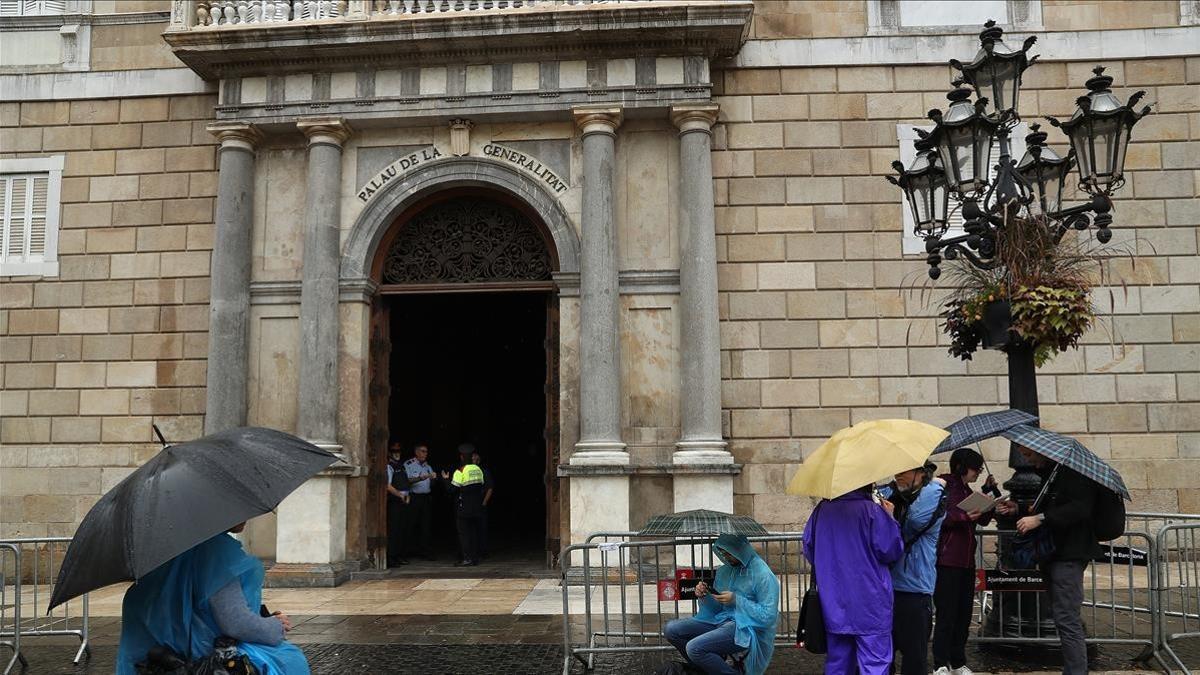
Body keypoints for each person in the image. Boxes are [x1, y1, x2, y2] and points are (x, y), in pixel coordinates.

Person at [116, 522, 309, 675]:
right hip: (204, 659)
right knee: (290, 660)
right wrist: (276, 626)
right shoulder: (217, 551)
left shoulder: (175, 549)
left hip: (159, 660)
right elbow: (235, 622)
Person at [1014, 444, 1099, 675]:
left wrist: (1040, 518)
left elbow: (1079, 508)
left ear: (1044, 451)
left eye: (1030, 454)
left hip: (1069, 555)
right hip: (1054, 554)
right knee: (1063, 617)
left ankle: (1076, 671)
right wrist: (1018, 508)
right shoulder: (1052, 474)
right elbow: (1047, 507)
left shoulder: (1074, 473)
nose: (1028, 461)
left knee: (1066, 617)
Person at [803, 485, 904, 675]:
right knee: (875, 662)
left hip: (833, 600)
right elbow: (891, 550)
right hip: (871, 601)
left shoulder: (821, 511)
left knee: (838, 663)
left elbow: (809, 549)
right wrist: (890, 519)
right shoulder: (873, 511)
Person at [932, 448, 1015, 675]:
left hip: (966, 561)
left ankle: (957, 661)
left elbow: (981, 517)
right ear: (961, 466)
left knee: (963, 614)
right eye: (975, 468)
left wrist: (989, 498)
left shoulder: (966, 489)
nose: (978, 472)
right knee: (947, 614)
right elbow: (937, 517)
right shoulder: (944, 486)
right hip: (947, 560)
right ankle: (940, 662)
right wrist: (962, 517)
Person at [663, 534, 779, 675]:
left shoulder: (762, 574)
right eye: (723, 553)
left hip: (747, 628)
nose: (726, 557)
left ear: (740, 550)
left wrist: (737, 600)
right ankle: (706, 668)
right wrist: (705, 596)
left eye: (729, 553)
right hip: (721, 620)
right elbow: (717, 609)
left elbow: (768, 616)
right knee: (671, 630)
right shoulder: (724, 571)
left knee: (694, 648)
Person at [877, 462, 946, 675]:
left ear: (921, 473)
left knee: (914, 659)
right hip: (886, 589)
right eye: (897, 469)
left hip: (915, 590)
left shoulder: (933, 495)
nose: (898, 475)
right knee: (882, 656)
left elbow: (915, 521)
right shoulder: (895, 493)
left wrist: (936, 484)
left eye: (904, 470)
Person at [441, 444, 485, 567]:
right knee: (474, 532)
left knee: (464, 534)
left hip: (464, 507)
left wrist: (445, 479)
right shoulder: (478, 469)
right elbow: (481, 486)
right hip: (477, 507)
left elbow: (451, 490)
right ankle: (475, 558)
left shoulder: (460, 471)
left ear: (461, 457)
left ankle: (467, 558)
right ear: (471, 456)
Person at [403, 443, 436, 560]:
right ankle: (406, 552)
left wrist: (433, 479)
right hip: (414, 498)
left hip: (426, 498)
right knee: (410, 525)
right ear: (416, 452)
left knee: (426, 525)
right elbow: (406, 480)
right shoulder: (409, 464)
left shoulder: (427, 466)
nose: (425, 454)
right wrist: (421, 478)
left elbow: (431, 482)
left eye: (426, 451)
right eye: (422, 451)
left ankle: (425, 552)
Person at [385, 441, 410, 567]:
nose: (397, 453)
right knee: (394, 530)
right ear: (389, 452)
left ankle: (398, 555)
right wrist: (400, 495)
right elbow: (387, 485)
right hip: (394, 501)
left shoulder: (401, 465)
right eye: (394, 451)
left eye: (399, 451)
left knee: (402, 529)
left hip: (403, 501)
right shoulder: (389, 466)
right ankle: (390, 558)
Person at [471, 448, 494, 559]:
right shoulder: (464, 470)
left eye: (477, 458)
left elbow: (489, 488)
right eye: (473, 458)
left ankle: (483, 551)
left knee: (482, 528)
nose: (475, 460)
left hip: (480, 503)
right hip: (469, 504)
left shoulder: (484, 472)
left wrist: (484, 503)